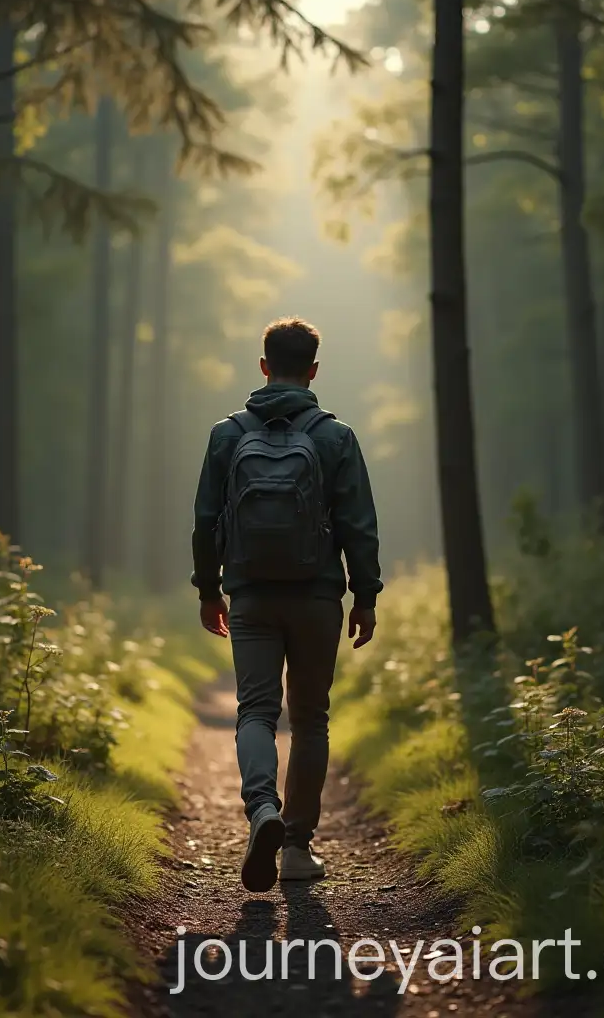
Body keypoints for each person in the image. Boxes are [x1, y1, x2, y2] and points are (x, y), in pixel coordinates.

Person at [191, 316, 382, 893]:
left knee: (255, 711)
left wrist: (208, 590)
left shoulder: (227, 434)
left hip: (249, 591)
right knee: (310, 719)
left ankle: (261, 812)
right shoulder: (335, 436)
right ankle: (296, 848)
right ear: (315, 370)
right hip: (318, 595)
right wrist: (365, 596)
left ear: (264, 366)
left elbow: (204, 523)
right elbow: (359, 525)